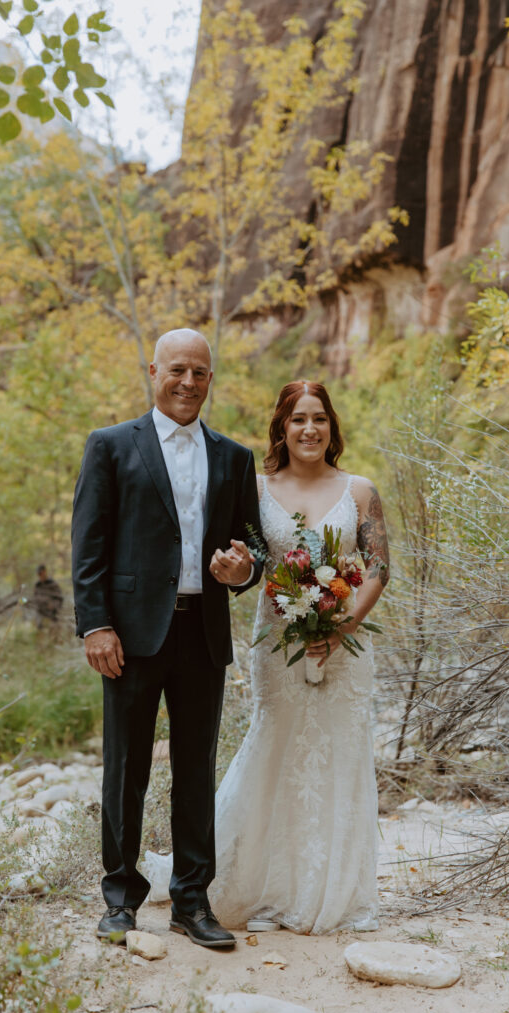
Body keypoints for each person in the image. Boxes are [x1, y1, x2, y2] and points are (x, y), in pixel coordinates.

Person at [144, 380, 389, 934]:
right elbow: (248, 557)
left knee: (340, 753)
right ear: (281, 427)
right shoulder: (253, 488)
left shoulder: (360, 490)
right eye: (298, 419)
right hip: (278, 643)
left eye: (320, 419)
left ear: (332, 427)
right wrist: (239, 573)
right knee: (275, 746)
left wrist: (343, 624)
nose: (310, 429)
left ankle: (328, 889)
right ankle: (247, 880)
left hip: (346, 646)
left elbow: (377, 567)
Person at [71, 328, 264, 949]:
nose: (188, 382)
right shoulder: (109, 446)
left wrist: (246, 571)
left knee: (196, 770)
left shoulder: (234, 457)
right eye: (177, 370)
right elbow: (89, 545)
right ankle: (121, 899)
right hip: (128, 634)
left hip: (202, 633)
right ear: (153, 371)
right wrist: (95, 623)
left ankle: (190, 901)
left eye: (200, 373)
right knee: (126, 767)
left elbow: (252, 543)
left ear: (212, 379)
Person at [33, 565, 63, 636]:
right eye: (38, 574)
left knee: (53, 633)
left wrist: (53, 605)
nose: (40, 576)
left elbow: (59, 598)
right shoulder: (37, 585)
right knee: (40, 633)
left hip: (52, 614)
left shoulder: (53, 584)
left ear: (45, 572)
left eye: (41, 573)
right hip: (40, 614)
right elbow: (34, 598)